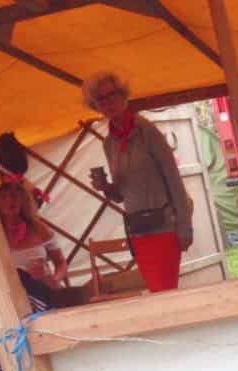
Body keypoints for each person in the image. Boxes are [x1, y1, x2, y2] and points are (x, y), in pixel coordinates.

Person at [82, 71, 193, 292]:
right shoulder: (109, 144)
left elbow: (174, 180)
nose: (108, 102)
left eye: (111, 95)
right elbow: (122, 195)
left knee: (165, 292)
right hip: (138, 230)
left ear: (123, 96)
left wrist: (184, 227)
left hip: (163, 226)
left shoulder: (147, 132)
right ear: (96, 106)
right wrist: (106, 188)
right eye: (101, 99)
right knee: (155, 291)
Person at [0, 174, 67, 290]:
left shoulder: (39, 228)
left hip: (44, 291)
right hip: (10, 296)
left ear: (23, 199)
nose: (10, 200)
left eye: (14, 195)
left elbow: (60, 262)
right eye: (3, 197)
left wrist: (55, 279)